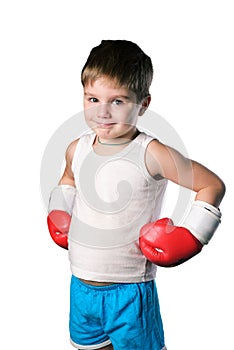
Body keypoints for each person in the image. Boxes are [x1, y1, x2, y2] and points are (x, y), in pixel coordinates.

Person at [47, 40, 225, 350]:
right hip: (81, 287)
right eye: (93, 98)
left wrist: (191, 237)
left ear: (143, 103)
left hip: (129, 292)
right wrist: (60, 210)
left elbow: (211, 184)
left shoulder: (150, 153)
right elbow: (68, 178)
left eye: (117, 101)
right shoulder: (77, 148)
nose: (102, 111)